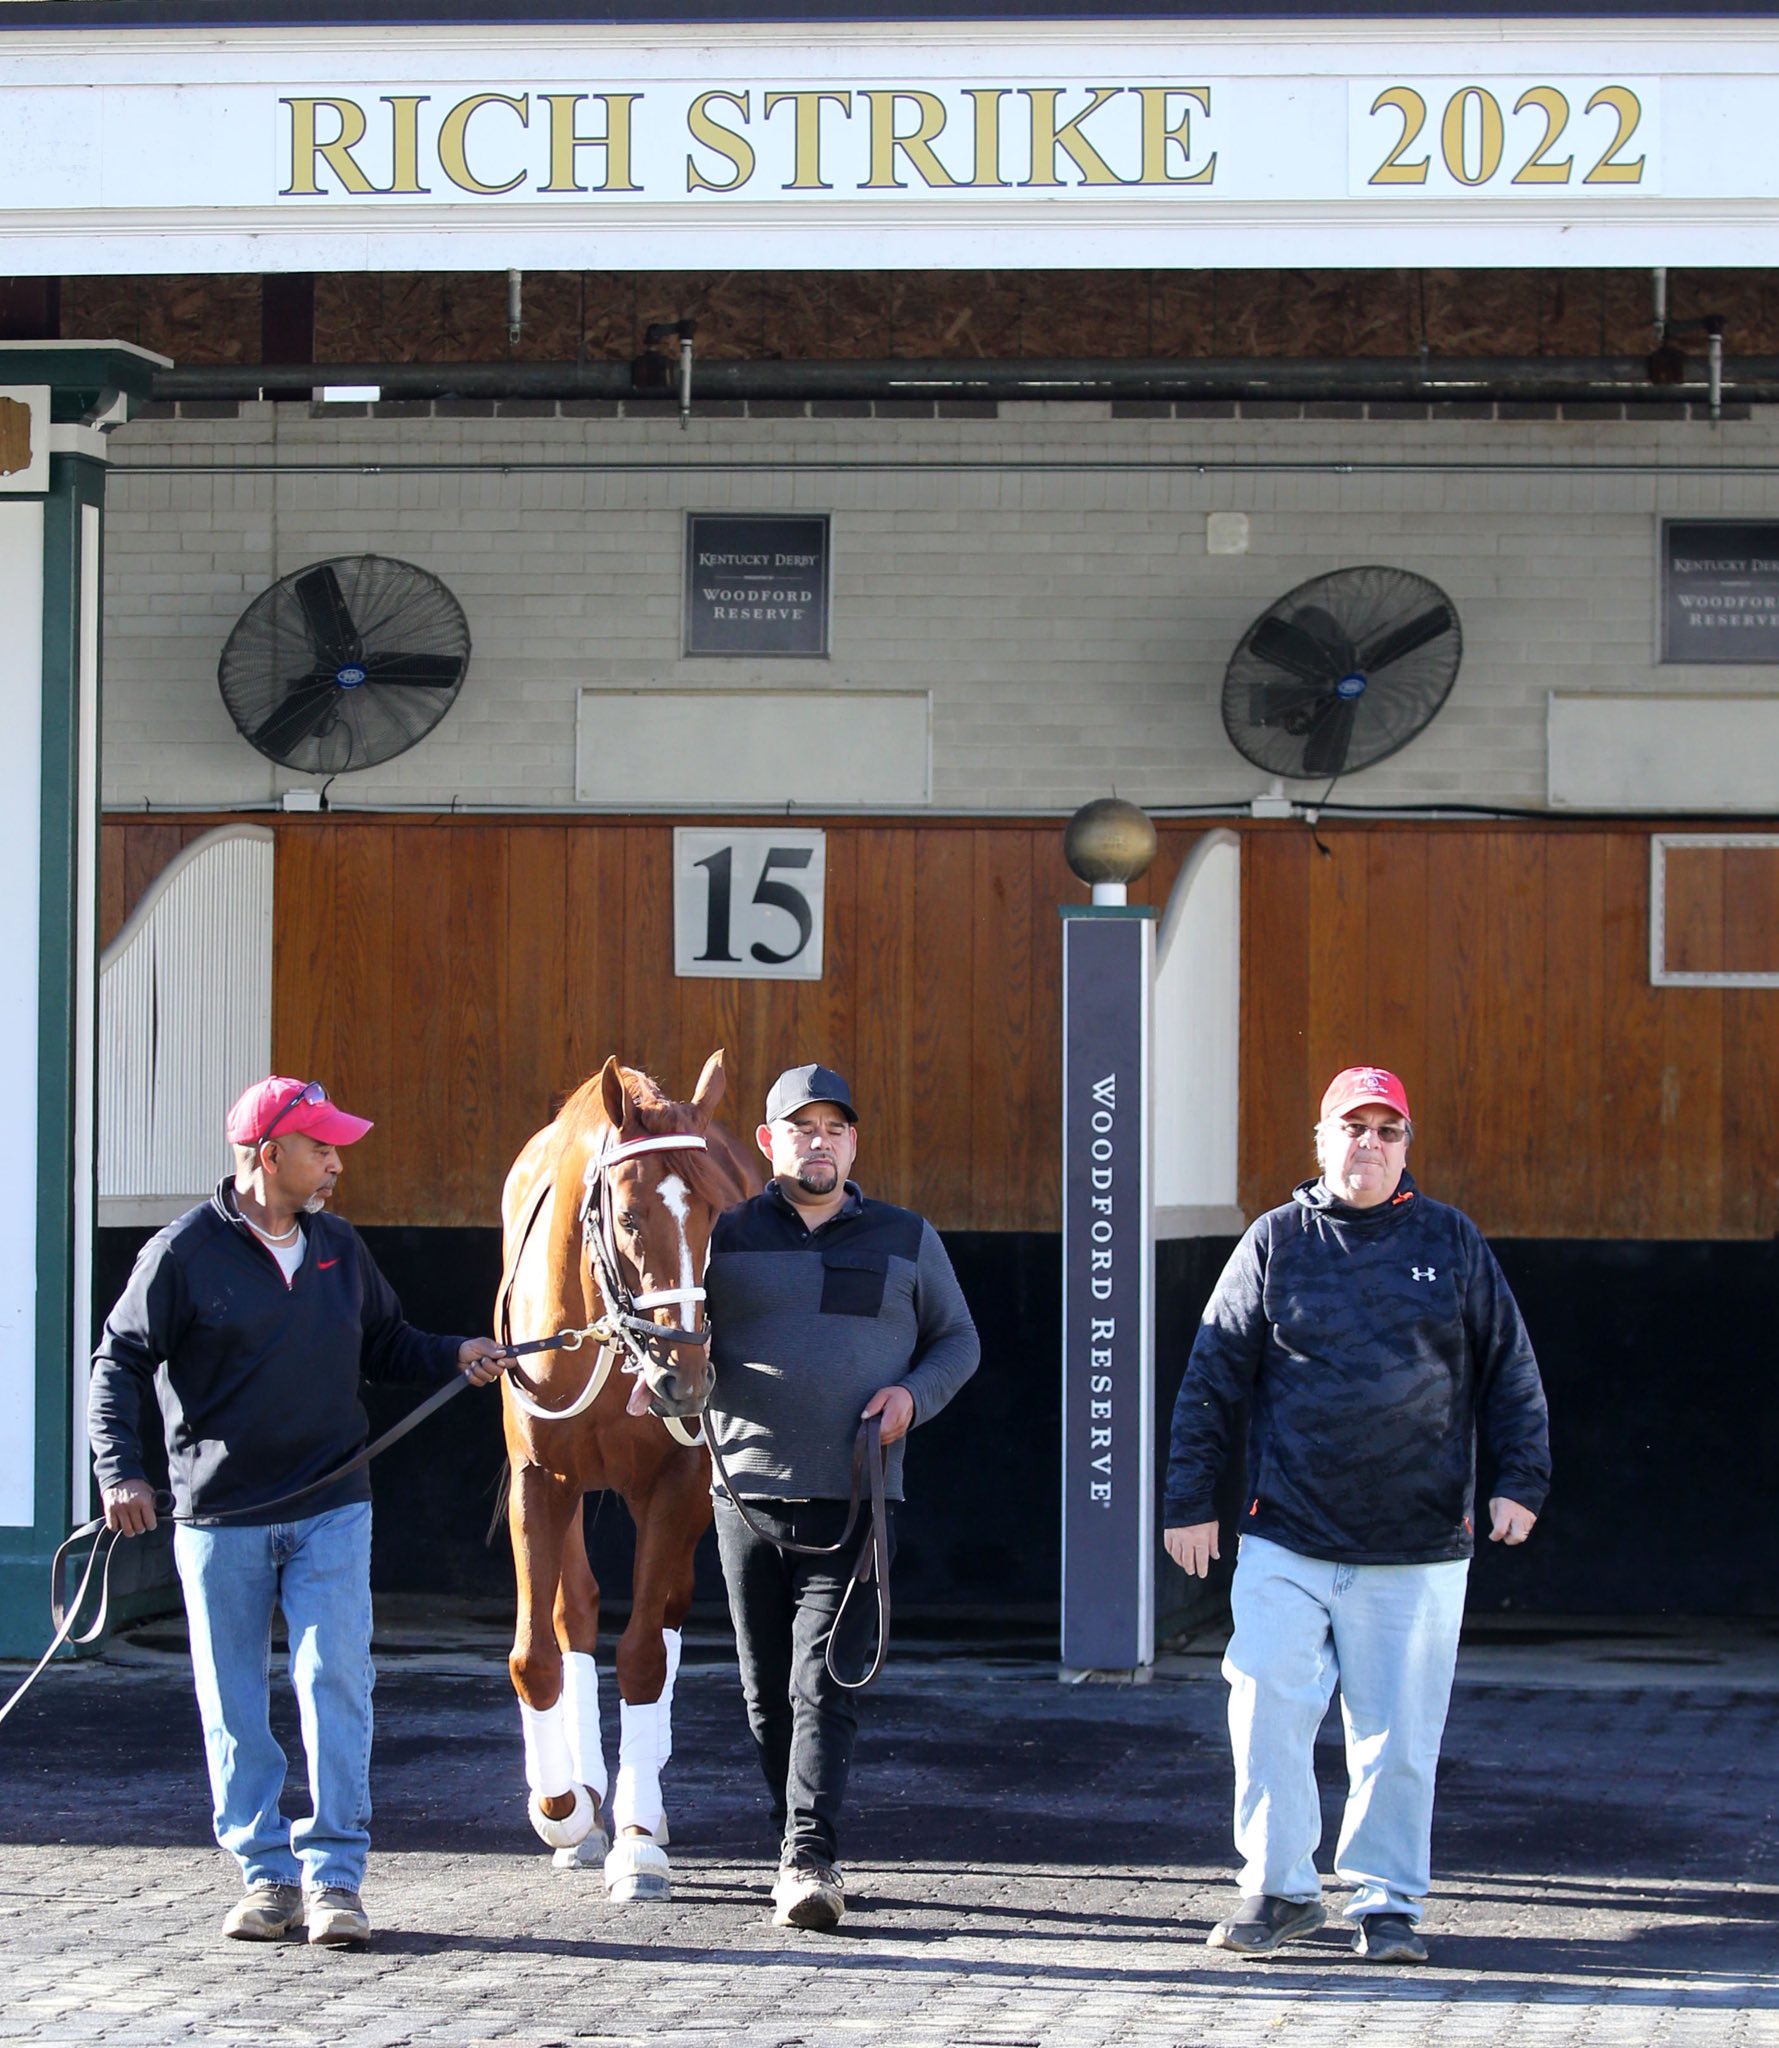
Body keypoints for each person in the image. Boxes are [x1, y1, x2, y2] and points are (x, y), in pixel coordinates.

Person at [88, 1076, 508, 1949]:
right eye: (321, 1147)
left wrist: (457, 1354)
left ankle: (336, 1879)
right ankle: (266, 1875)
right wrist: (121, 1473)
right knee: (235, 1703)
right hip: (220, 1520)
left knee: (336, 1683)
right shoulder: (180, 1254)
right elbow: (118, 1362)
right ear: (267, 1156)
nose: (337, 1162)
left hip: (331, 1509)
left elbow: (387, 1342)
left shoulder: (339, 1248)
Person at [1163, 1065, 1550, 1965]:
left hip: (1416, 1544)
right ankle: (1280, 1889)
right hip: (1286, 1535)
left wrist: (1520, 1480)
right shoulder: (1273, 1241)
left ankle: (1386, 1906)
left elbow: (1511, 1370)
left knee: (1397, 1736)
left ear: (1405, 1147)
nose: (1366, 1145)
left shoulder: (1450, 1241)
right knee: (1262, 1707)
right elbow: (1210, 1379)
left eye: (1386, 1131)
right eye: (1351, 1127)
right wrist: (1188, 1501)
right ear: (1320, 1138)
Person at [703, 1062, 980, 1931]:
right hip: (742, 1490)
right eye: (800, 1128)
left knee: (822, 1680)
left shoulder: (905, 1234)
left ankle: (809, 1857)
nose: (817, 1143)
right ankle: (793, 1837)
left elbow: (957, 1340)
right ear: (767, 1142)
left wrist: (913, 1397)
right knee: (762, 1688)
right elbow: (677, 1336)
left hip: (857, 1495)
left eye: (833, 1129)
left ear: (853, 1142)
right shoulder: (721, 1234)